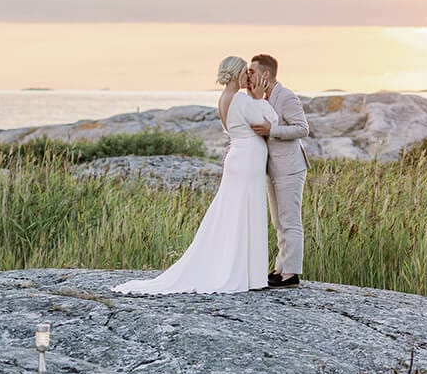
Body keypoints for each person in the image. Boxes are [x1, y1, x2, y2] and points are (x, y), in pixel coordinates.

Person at [112, 56, 277, 294]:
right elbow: (268, 121)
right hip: (247, 159)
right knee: (246, 212)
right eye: (245, 72)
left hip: (239, 157)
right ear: (235, 74)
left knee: (236, 211)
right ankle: (248, 275)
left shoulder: (224, 99)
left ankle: (246, 272)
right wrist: (260, 99)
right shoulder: (241, 99)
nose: (248, 76)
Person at [246, 53, 309, 287]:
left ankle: (291, 273)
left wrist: (272, 130)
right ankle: (280, 267)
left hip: (290, 168)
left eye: (252, 71)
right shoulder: (261, 97)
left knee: (290, 220)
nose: (249, 75)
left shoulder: (287, 97)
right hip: (272, 168)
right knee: (278, 221)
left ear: (266, 74)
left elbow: (302, 129)